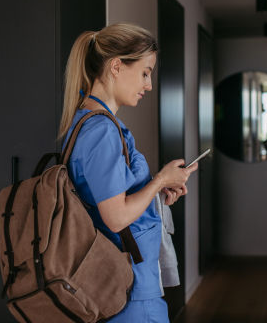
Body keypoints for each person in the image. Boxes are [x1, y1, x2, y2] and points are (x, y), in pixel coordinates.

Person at [59, 22, 197, 322]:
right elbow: (115, 216)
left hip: (122, 284)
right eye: (145, 73)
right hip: (129, 290)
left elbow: (108, 197)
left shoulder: (88, 123)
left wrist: (153, 190)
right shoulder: (101, 131)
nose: (148, 85)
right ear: (117, 67)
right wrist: (160, 178)